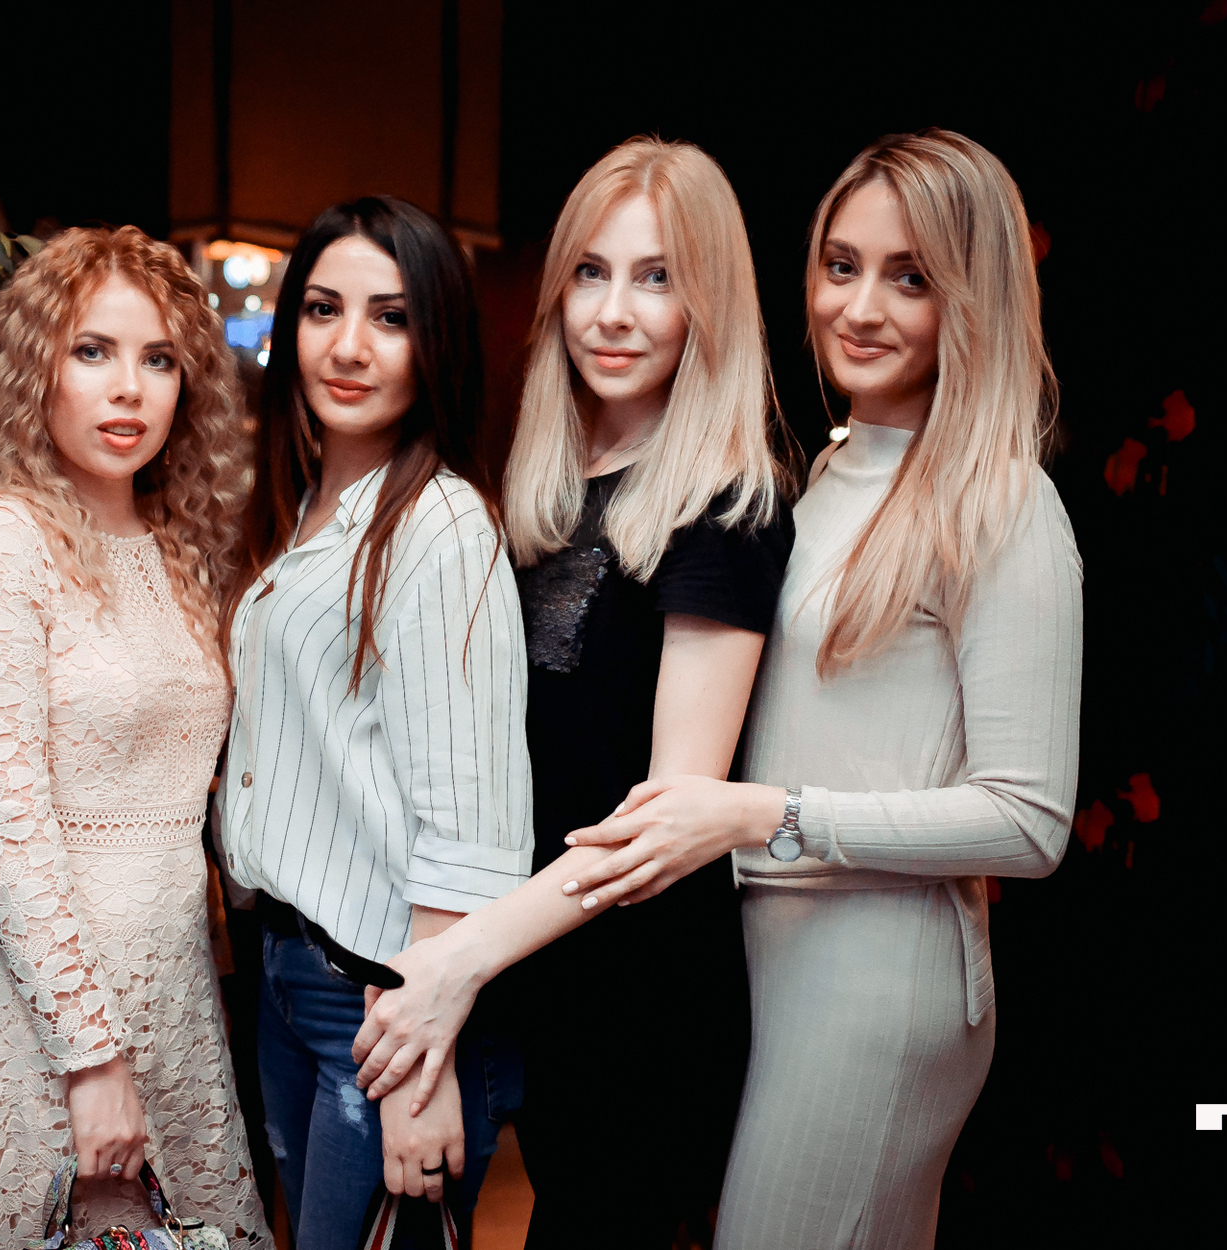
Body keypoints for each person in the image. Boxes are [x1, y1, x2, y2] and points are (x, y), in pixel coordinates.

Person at [548, 130, 1078, 1249]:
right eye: (842, 265)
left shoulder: (1005, 503)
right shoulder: (830, 471)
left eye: (910, 277)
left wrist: (764, 814)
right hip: (780, 958)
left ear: (973, 296)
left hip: (881, 974)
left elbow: (1029, 822)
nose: (860, 307)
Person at [344, 138, 795, 1245]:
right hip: (547, 987)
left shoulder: (724, 505)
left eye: (657, 278)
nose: (614, 312)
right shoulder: (544, 491)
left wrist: (457, 959)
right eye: (591, 272)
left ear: (709, 307)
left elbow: (662, 825)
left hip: (647, 1007)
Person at [215, 195, 532, 1250]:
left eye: (390, 318)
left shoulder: (442, 525)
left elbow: (473, 827)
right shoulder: (303, 504)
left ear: (435, 341)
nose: (348, 346)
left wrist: (421, 1066)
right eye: (323, 309)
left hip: (381, 1001)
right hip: (285, 969)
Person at [0, 225, 267, 1244]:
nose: (129, 388)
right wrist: (90, 1057)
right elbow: (0, 820)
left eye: (158, 359)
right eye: (92, 351)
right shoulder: (4, 538)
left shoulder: (184, 549)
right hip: (51, 1014)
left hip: (177, 991)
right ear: (37, 369)